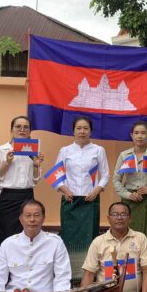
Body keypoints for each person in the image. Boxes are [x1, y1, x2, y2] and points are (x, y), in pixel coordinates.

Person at [54, 116, 109, 279]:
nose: (82, 131)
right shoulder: (65, 150)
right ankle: (69, 276)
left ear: (90, 131)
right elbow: (57, 175)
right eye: (79, 128)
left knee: (89, 238)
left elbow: (105, 174)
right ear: (73, 131)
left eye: (86, 128)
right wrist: (64, 189)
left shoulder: (98, 150)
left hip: (90, 201)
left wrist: (97, 190)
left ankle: (88, 277)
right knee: (69, 237)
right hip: (70, 201)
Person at [80, 202, 147, 292]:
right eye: (115, 214)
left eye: (123, 214)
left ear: (130, 218)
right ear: (108, 218)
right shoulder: (98, 242)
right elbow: (89, 274)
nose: (119, 218)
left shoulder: (140, 238)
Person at [0, 199, 71, 292]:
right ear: (21, 219)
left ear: (43, 218)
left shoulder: (55, 243)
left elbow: (62, 278)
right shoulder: (8, 244)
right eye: (28, 216)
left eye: (36, 215)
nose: (32, 220)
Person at [112, 121, 147, 260]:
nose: (139, 136)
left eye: (143, 133)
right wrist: (127, 194)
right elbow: (116, 180)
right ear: (131, 135)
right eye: (136, 133)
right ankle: (127, 266)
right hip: (129, 201)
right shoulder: (124, 155)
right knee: (128, 235)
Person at [0, 116, 44, 258]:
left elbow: (35, 180)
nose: (22, 130)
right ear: (11, 129)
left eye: (26, 127)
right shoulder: (1, 150)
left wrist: (36, 165)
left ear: (30, 131)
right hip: (8, 197)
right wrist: (6, 163)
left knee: (27, 235)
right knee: (5, 235)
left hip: (27, 197)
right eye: (18, 126)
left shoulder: (33, 151)